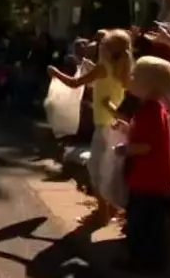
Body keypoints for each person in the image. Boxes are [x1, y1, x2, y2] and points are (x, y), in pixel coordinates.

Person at [48, 29, 133, 226]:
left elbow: (74, 83)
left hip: (104, 124)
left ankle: (101, 214)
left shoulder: (102, 67)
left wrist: (55, 73)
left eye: (101, 45)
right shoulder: (125, 69)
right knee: (111, 169)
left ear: (106, 50)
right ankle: (110, 210)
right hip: (117, 125)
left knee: (96, 169)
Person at [111, 56, 170, 272]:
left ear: (148, 85)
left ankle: (139, 260)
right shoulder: (153, 109)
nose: (130, 79)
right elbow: (148, 137)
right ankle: (155, 260)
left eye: (134, 76)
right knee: (154, 222)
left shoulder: (149, 111)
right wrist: (126, 129)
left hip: (146, 178)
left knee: (141, 222)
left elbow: (146, 146)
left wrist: (124, 149)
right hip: (154, 178)